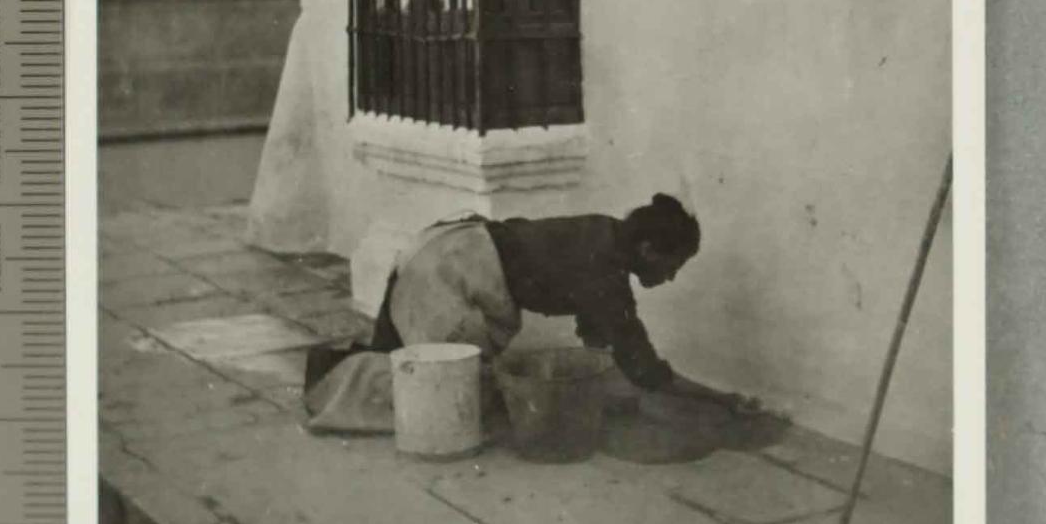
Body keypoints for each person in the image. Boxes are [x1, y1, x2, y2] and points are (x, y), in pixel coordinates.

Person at [303, 194, 757, 433]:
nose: (672, 276)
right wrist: (722, 400)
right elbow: (644, 367)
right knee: (441, 393)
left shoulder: (605, 234)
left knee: (409, 360)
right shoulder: (605, 271)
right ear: (647, 248)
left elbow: (600, 343)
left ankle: (338, 372)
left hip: (443, 246)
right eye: (672, 265)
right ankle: (330, 384)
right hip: (450, 271)